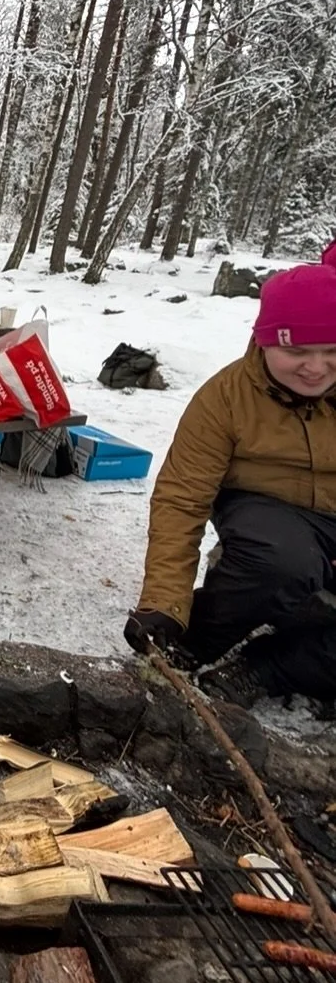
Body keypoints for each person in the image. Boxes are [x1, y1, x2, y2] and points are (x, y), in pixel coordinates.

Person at [126, 257, 336, 702]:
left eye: (332, 351)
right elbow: (182, 499)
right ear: (263, 341)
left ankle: (274, 667)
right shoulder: (226, 398)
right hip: (266, 512)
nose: (316, 368)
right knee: (282, 560)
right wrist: (163, 604)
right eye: (296, 351)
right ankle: (192, 645)